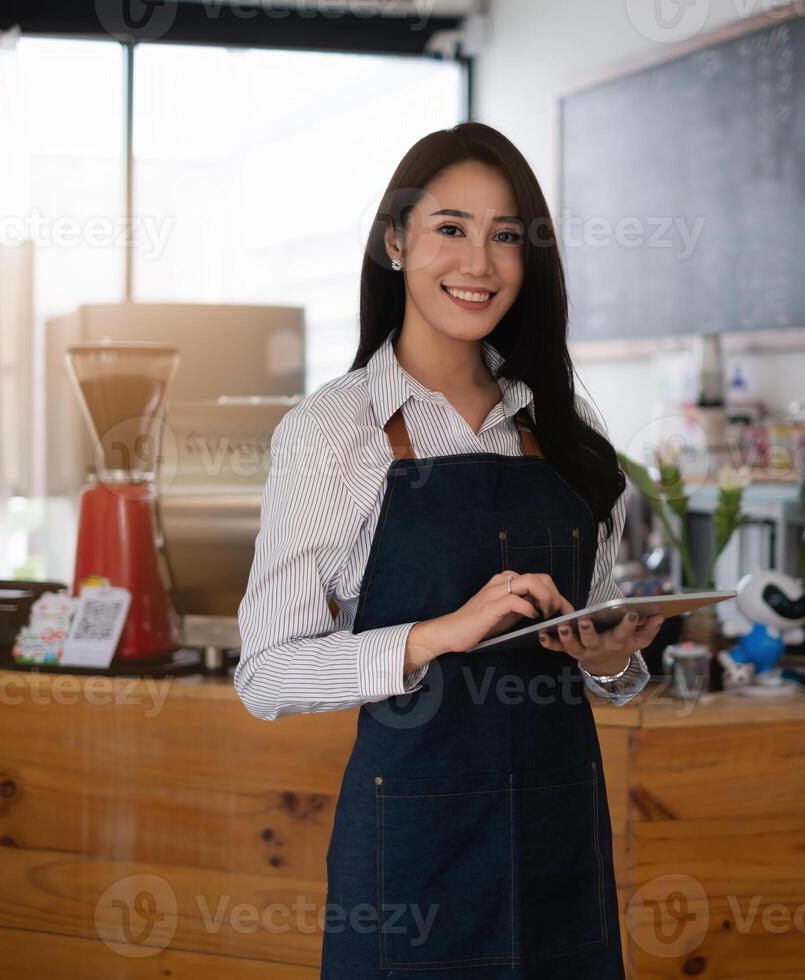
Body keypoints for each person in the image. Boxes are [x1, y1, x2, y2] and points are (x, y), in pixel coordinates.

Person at [236, 121, 663, 979]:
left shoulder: (568, 433)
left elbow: (601, 665)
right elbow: (265, 674)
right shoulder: (335, 430)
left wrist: (611, 661)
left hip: (557, 838)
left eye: (506, 236)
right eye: (451, 229)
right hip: (411, 856)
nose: (479, 263)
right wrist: (434, 635)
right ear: (396, 242)